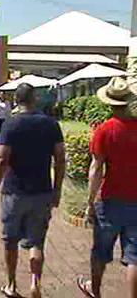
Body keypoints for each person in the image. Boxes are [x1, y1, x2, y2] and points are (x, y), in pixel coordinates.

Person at [0, 83, 66, 298]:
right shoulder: (50, 125)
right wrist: (57, 189)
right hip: (41, 190)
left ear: (16, 101)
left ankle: (11, 284)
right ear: (34, 100)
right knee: (37, 241)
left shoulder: (11, 125)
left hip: (14, 190)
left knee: (10, 240)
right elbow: (60, 158)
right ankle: (35, 282)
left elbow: (2, 159)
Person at [77, 77, 137, 298]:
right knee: (134, 257)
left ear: (110, 103)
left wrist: (90, 200)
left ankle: (95, 289)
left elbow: (96, 167)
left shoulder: (105, 130)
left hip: (111, 198)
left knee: (100, 252)